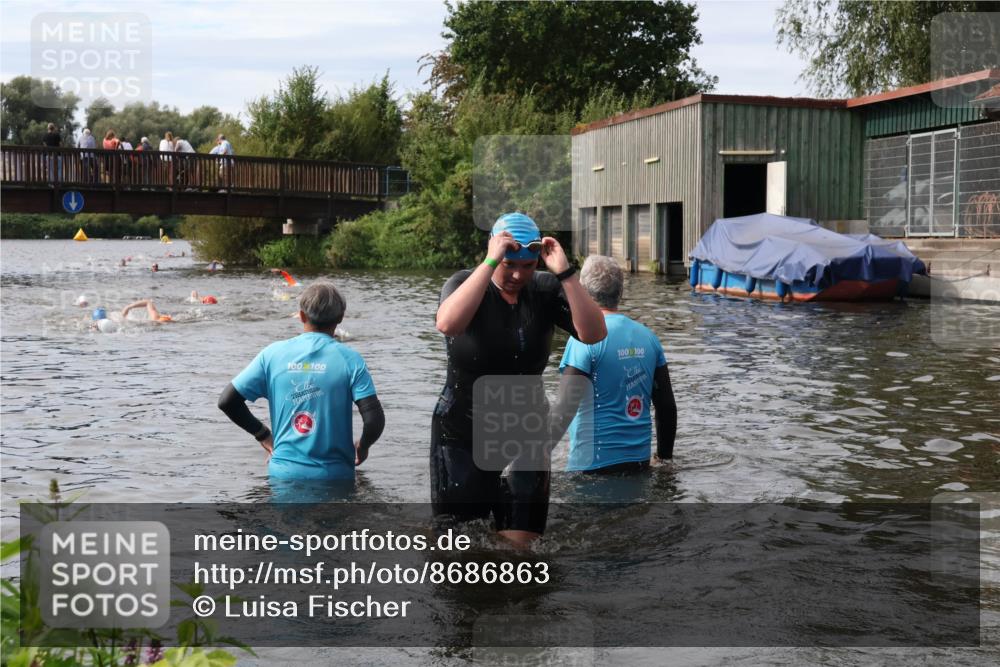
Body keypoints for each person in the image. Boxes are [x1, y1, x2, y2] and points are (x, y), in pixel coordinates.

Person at [432, 212, 607, 545]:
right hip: (461, 430)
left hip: (525, 429)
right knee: (458, 546)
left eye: (526, 267)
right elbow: (448, 324)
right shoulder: (463, 283)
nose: (516, 275)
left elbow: (595, 333)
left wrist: (566, 274)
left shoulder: (544, 290)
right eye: (508, 265)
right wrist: (489, 262)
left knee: (521, 548)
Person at [218, 282, 385, 481]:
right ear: (341, 317)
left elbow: (227, 401)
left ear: (302, 316)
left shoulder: (272, 354)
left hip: (283, 476)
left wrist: (263, 435)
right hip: (334, 477)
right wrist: (363, 446)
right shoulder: (350, 360)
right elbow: (374, 420)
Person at [548, 255, 677, 474]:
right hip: (639, 465)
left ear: (582, 292)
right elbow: (666, 407)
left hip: (591, 468)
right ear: (621, 292)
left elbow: (564, 410)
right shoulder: (648, 337)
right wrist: (664, 459)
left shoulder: (584, 338)